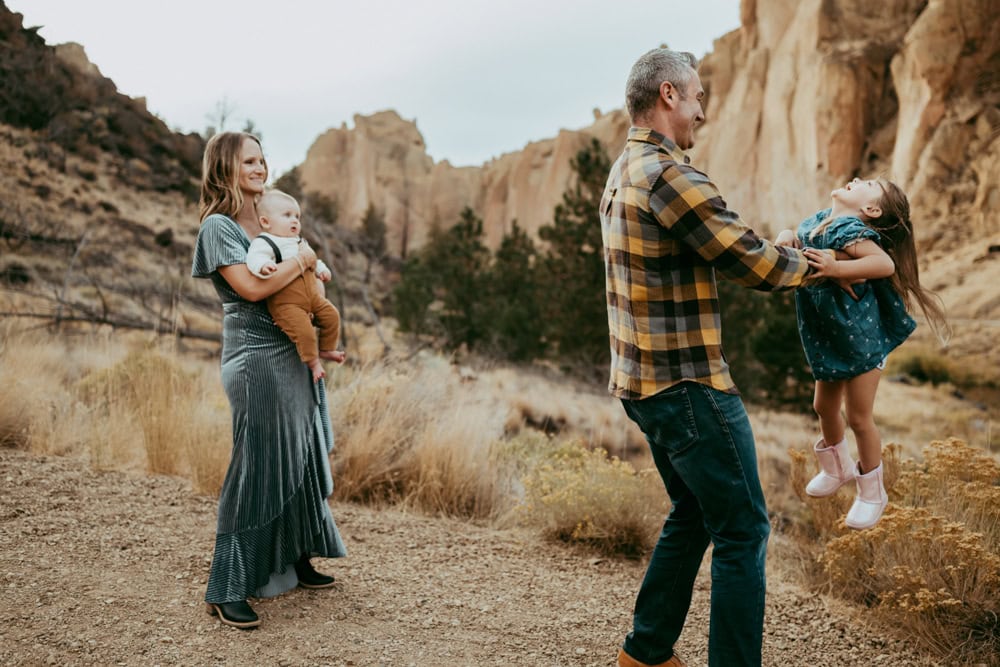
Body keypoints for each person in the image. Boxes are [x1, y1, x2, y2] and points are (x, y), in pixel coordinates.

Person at [600, 48, 831, 667]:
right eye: (698, 97)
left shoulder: (625, 167)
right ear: (669, 95)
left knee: (697, 511)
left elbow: (724, 241)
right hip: (689, 384)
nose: (703, 110)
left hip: (642, 385)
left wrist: (773, 248)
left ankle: (645, 653)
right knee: (745, 530)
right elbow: (749, 261)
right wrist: (818, 266)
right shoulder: (669, 174)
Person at [191, 131, 347, 629]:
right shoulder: (218, 227)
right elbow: (253, 288)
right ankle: (227, 586)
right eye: (249, 161)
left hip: (292, 356)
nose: (260, 168)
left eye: (262, 159)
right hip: (254, 360)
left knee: (299, 455)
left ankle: (293, 558)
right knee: (256, 465)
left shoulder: (271, 217)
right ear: (225, 168)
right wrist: (300, 259)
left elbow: (304, 282)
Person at [775, 177, 948, 529]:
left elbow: (883, 265)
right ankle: (836, 468)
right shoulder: (819, 222)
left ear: (871, 210)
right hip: (830, 340)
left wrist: (837, 267)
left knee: (858, 417)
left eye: (869, 184)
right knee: (823, 407)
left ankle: (872, 492)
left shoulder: (851, 231)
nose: (856, 179)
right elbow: (799, 241)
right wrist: (785, 237)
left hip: (863, 341)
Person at [247, 189, 345, 382]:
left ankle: (327, 349)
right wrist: (263, 265)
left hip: (313, 298)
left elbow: (313, 260)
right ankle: (314, 362)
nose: (295, 221)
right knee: (305, 332)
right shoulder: (266, 242)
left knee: (332, 315)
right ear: (266, 222)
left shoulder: (300, 242)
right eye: (287, 216)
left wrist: (321, 270)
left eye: (297, 217)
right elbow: (254, 258)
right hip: (287, 304)